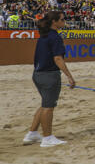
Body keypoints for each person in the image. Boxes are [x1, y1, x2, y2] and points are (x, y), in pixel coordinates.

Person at [24, 11, 75, 147]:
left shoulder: (44, 35)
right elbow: (58, 58)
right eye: (62, 20)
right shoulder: (55, 37)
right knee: (48, 107)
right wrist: (69, 76)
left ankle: (32, 134)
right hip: (49, 75)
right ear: (54, 22)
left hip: (38, 74)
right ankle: (47, 138)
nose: (64, 22)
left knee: (45, 104)